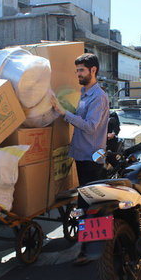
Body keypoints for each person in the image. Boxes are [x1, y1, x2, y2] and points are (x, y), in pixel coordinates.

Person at [51, 53, 109, 186]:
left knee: (90, 202)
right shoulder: (84, 93)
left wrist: (64, 112)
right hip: (82, 155)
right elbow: (81, 118)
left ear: (93, 70)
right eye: (77, 70)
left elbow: (90, 126)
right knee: (84, 195)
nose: (78, 74)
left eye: (82, 70)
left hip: (91, 158)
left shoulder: (98, 97)